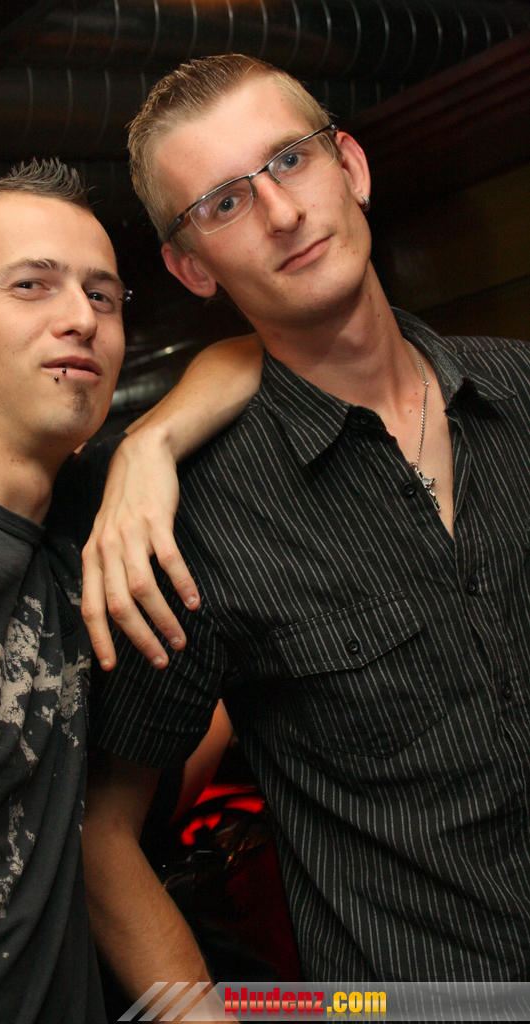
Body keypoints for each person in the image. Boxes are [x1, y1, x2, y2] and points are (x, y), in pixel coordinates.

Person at [81, 53, 530, 992]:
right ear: (190, 267)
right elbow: (101, 833)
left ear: (349, 167)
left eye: (289, 159)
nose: (281, 212)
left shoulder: (521, 392)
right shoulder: (195, 518)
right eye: (224, 203)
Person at [0, 158, 260, 1024]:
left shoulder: (81, 520)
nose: (81, 318)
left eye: (103, 296)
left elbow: (252, 355)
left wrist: (149, 444)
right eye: (31, 285)